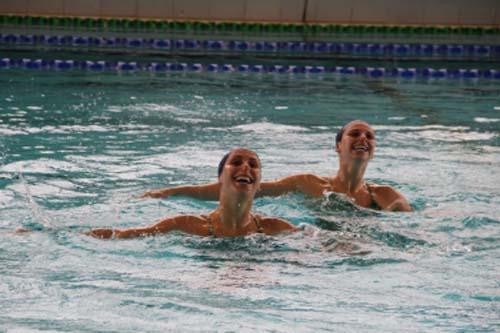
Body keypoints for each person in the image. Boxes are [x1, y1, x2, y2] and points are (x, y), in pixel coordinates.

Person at [140, 121, 412, 212]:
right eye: (355, 134)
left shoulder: (386, 196)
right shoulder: (308, 183)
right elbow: (246, 190)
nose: (363, 138)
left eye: (370, 136)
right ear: (338, 146)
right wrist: (170, 192)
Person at [87, 148, 296, 239]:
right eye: (236, 162)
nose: (246, 167)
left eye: (253, 165)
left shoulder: (276, 228)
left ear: (259, 184)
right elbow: (129, 235)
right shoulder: (186, 225)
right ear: (220, 179)